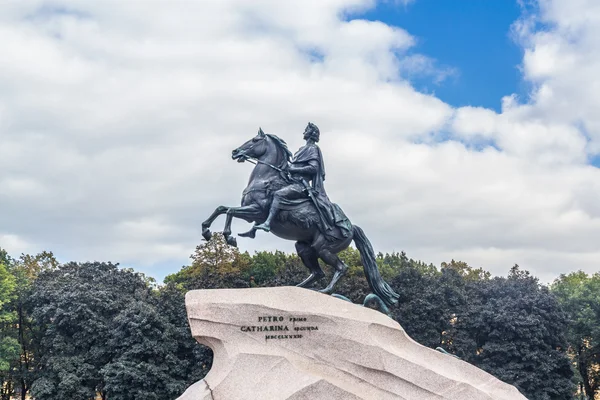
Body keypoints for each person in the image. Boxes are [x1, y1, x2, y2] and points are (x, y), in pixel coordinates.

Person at [254, 122, 351, 238]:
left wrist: (294, 170)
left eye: (306, 130)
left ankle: (267, 223)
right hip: (292, 182)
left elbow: (313, 168)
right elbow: (293, 167)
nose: (304, 132)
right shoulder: (301, 149)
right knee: (268, 191)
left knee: (279, 194)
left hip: (301, 185)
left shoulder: (313, 149)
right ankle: (254, 227)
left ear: (311, 134)